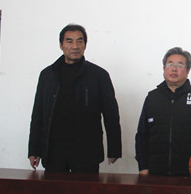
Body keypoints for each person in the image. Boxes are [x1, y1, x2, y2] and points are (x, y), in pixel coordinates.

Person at [28, 24, 122, 173]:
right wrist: (34, 149)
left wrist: (114, 149)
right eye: (69, 41)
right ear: (61, 45)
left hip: (86, 152)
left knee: (85, 189)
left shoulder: (99, 75)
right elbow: (38, 114)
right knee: (54, 188)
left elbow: (111, 114)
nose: (75, 46)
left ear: (85, 45)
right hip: (54, 151)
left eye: (79, 41)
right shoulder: (47, 75)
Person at [135, 47, 191, 176]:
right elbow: (142, 135)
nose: (174, 69)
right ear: (164, 69)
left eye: (180, 65)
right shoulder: (152, 97)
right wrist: (143, 166)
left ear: (188, 71)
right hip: (155, 172)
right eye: (170, 64)